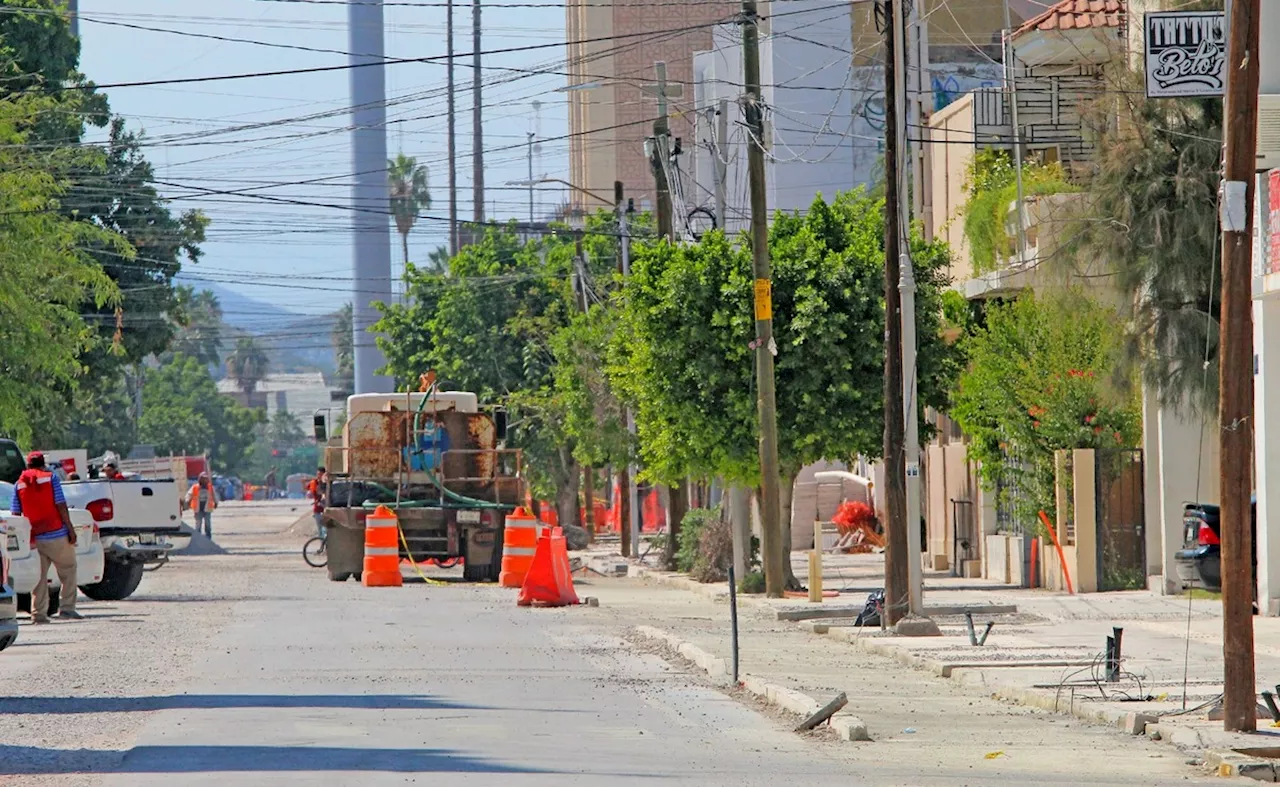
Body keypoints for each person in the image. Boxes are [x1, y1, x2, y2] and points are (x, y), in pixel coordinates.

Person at [12, 452, 81, 622]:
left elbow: (16, 513)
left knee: (39, 577)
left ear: (27, 466)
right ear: (43, 464)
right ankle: (66, 609)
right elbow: (60, 504)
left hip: (34, 538)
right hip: (56, 534)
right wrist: (70, 529)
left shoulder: (18, 484)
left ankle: (38, 614)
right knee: (68, 569)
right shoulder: (51, 479)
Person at [187, 473, 218, 538]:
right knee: (198, 524)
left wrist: (216, 502)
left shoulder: (210, 487)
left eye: (206, 479)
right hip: (198, 509)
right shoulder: (195, 487)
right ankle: (198, 537)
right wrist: (187, 501)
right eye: (203, 479)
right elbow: (189, 494)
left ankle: (208, 537)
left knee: (208, 524)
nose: (204, 480)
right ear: (200, 479)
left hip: (207, 508)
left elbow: (214, 495)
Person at [307, 467, 327, 539]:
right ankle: (322, 545)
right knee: (320, 529)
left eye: (321, 474)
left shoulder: (327, 483)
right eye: (318, 474)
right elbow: (308, 491)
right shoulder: (314, 482)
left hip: (326, 509)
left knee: (326, 529)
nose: (319, 476)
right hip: (317, 509)